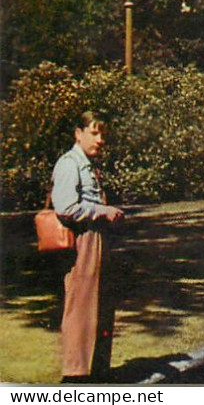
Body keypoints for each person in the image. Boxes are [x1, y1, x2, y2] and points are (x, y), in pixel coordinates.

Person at [51, 111, 124, 383]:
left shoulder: (88, 164)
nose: (100, 140)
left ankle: (96, 373)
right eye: (94, 133)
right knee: (81, 309)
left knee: (101, 308)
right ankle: (75, 377)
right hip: (82, 242)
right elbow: (66, 207)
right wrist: (102, 211)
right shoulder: (70, 163)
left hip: (97, 238)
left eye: (103, 134)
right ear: (78, 133)